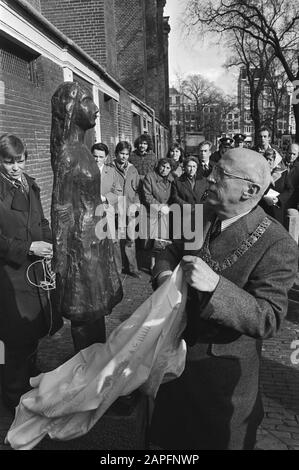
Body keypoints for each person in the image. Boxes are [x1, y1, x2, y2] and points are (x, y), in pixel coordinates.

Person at [149, 148, 298, 450]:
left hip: (221, 387)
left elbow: (269, 317)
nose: (210, 178)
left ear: (250, 190)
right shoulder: (200, 213)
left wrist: (216, 287)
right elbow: (168, 250)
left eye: (221, 174)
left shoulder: (276, 243)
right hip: (171, 368)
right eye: (213, 169)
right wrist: (164, 278)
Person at [50, 82, 123, 353]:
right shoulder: (67, 154)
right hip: (80, 247)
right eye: (86, 101)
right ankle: (86, 368)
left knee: (96, 310)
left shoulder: (83, 148)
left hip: (95, 239)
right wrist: (60, 259)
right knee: (83, 313)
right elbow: (61, 208)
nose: (95, 109)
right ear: (70, 109)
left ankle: (98, 363)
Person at [0, 133, 61, 413]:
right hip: (10, 274)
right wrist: (28, 248)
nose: (15, 167)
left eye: (20, 161)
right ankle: (14, 398)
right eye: (9, 161)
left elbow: (42, 220)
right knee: (15, 338)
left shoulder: (31, 185)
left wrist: (48, 243)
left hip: (35, 272)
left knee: (34, 328)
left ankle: (30, 380)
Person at [111, 141, 141, 278]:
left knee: (130, 238)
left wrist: (137, 204)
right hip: (115, 208)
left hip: (130, 207)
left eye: (126, 154)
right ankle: (117, 268)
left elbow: (137, 189)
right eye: (121, 153)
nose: (124, 157)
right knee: (116, 239)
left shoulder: (132, 169)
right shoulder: (109, 168)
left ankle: (133, 268)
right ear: (116, 153)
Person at [142, 158, 173, 271]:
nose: (164, 170)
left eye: (168, 168)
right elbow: (147, 196)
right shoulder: (150, 177)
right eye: (162, 166)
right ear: (158, 165)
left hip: (167, 212)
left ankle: (162, 263)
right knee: (153, 240)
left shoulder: (172, 179)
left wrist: (169, 207)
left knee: (163, 240)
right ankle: (153, 264)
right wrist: (160, 207)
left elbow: (174, 194)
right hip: (154, 212)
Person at [259, 148, 293, 227]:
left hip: (276, 210)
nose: (268, 162)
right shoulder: (259, 173)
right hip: (262, 209)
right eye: (266, 159)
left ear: (275, 160)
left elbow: (289, 189)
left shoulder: (283, 173)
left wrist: (279, 199)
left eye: (270, 159)